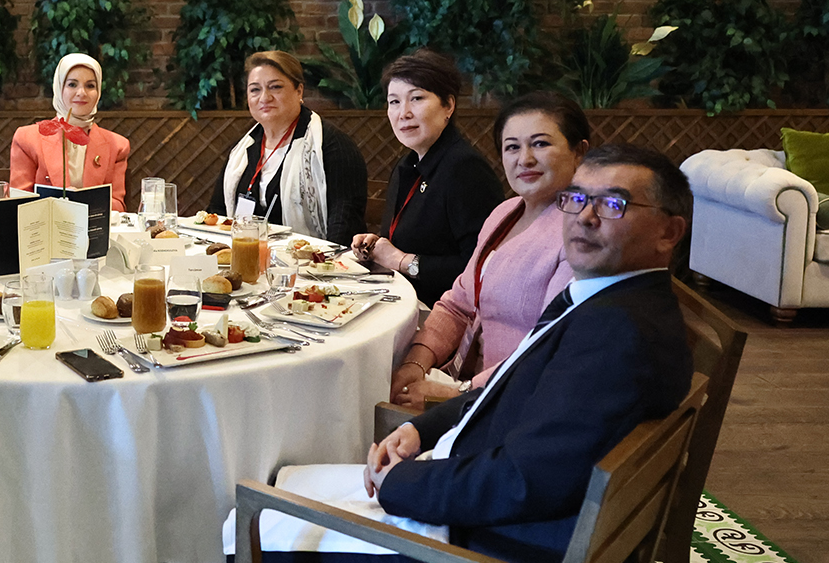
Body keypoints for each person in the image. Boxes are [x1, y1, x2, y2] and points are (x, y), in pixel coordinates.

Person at [231, 143, 695, 563]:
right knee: (288, 482)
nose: (585, 217)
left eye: (613, 204)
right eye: (578, 198)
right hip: (498, 519)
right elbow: (509, 386)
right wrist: (422, 429)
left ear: (668, 232)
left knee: (242, 523)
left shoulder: (616, 337)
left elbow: (522, 481)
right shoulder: (615, 300)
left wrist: (400, 485)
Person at [388, 92, 590, 406]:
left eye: (540, 144)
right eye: (512, 147)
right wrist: (416, 361)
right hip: (468, 381)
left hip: (515, 400)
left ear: (579, 152)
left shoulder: (584, 233)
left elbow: (548, 345)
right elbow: (458, 304)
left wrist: (455, 395)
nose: (525, 159)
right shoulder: (504, 213)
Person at [350, 49, 502, 304]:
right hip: (400, 301)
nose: (403, 113)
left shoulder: (465, 168)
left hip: (446, 313)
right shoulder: (408, 165)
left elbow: (482, 267)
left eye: (417, 98)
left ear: (448, 106)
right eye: (394, 102)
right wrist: (377, 246)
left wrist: (402, 260)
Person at [208, 50, 367, 244]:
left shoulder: (332, 145)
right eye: (255, 89)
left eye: (275, 87)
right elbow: (217, 212)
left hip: (312, 259)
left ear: (299, 91)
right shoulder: (243, 149)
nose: (264, 97)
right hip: (245, 254)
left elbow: (344, 227)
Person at [9, 53, 132, 210]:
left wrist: (80, 202)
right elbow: (18, 202)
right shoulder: (27, 138)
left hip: (92, 224)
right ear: (59, 88)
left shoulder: (117, 145)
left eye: (90, 86)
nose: (81, 93)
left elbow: (117, 206)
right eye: (72, 84)